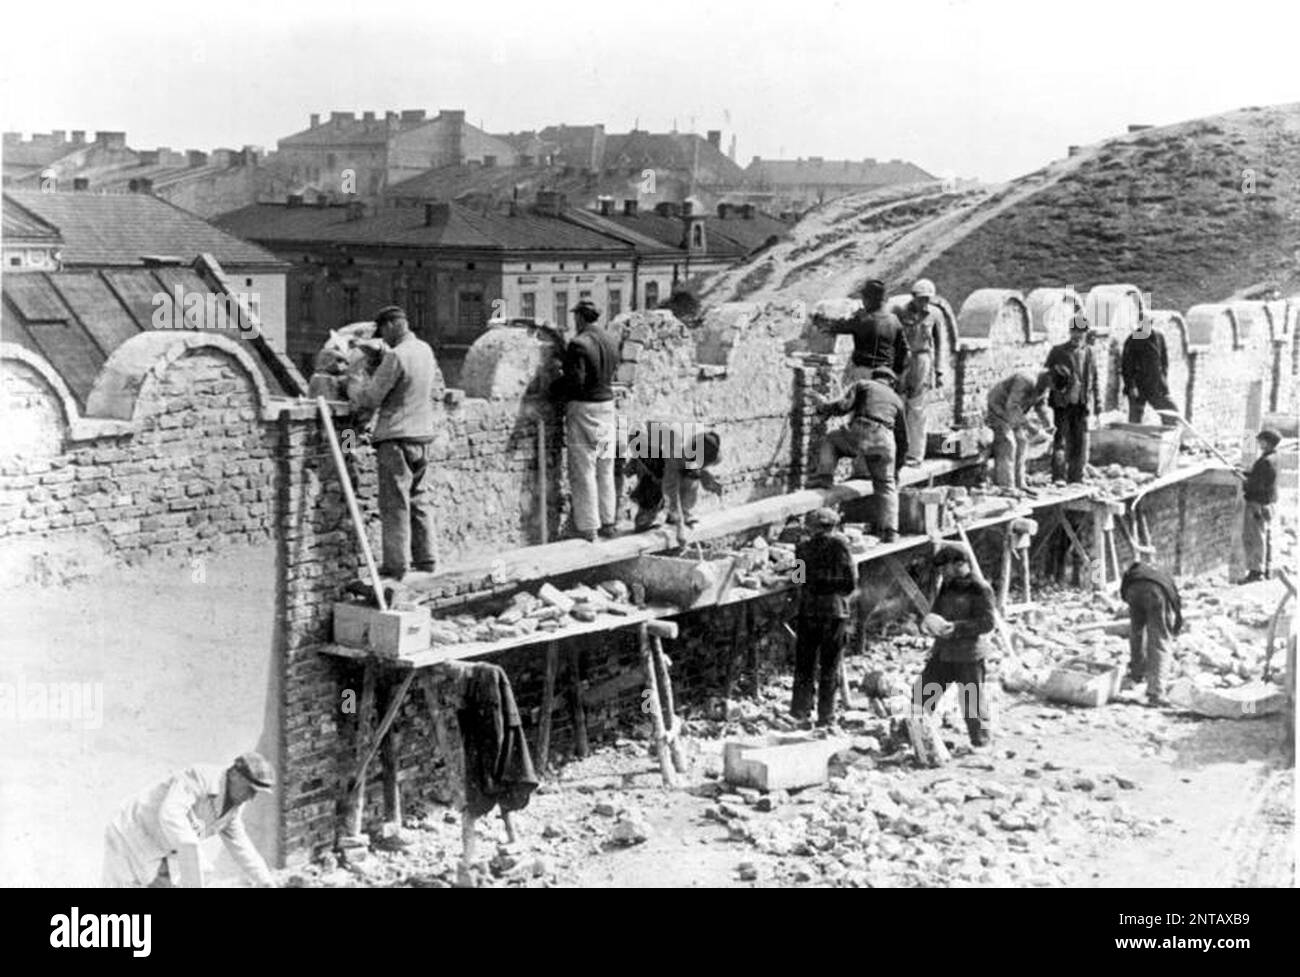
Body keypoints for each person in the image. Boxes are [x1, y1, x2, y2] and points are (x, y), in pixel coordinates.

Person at [347, 306, 438, 579]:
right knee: (419, 498)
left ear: (391, 326)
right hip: (422, 436)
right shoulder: (425, 350)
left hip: (396, 438)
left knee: (394, 503)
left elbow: (371, 398)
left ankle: (396, 566)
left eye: (383, 333)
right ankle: (427, 558)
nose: (383, 340)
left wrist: (354, 383)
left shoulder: (397, 355)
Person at [103, 752, 277, 888]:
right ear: (235, 775)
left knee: (198, 876)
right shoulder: (200, 777)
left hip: (164, 849)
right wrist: (192, 859)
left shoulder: (233, 807)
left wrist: (265, 882)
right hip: (130, 835)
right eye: (250, 789)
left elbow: (242, 846)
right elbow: (171, 814)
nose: (251, 797)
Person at [809, 366, 908, 542]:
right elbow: (903, 439)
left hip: (863, 430)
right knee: (886, 485)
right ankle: (891, 531)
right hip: (885, 440)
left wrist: (824, 406)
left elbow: (842, 406)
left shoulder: (864, 384)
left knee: (832, 441)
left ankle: (824, 476)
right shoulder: (897, 400)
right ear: (891, 383)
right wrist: (897, 469)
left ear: (875, 377)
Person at [911, 544, 996, 748]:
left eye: (944, 568)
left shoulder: (980, 588)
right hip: (943, 651)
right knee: (923, 692)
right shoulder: (948, 584)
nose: (941, 573)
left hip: (969, 655)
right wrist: (929, 624)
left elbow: (987, 622)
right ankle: (915, 736)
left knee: (971, 701)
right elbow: (937, 611)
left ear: (959, 564)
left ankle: (981, 743)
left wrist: (957, 627)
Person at [551, 299, 620, 541]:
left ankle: (589, 527)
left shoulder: (579, 344)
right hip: (607, 409)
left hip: (584, 411)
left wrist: (553, 389)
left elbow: (575, 382)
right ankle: (609, 522)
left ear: (580, 317)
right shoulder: (611, 340)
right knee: (605, 467)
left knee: (584, 469)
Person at [791, 507, 857, 727]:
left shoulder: (801, 548)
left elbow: (798, 579)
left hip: (808, 611)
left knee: (804, 665)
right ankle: (825, 717)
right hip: (835, 612)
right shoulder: (842, 546)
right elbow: (851, 581)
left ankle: (800, 712)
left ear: (811, 527)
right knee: (830, 666)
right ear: (832, 526)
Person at [625, 426, 723, 532]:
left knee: (691, 476)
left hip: (661, 448)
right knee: (655, 484)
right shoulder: (673, 459)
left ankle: (678, 514)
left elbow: (699, 469)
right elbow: (671, 494)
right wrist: (680, 528)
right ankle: (644, 519)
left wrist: (710, 483)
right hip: (650, 457)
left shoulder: (703, 445)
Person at [815, 278, 909, 383]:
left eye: (864, 298)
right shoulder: (894, 320)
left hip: (864, 373)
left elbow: (836, 327)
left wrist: (820, 320)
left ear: (870, 299)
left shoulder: (863, 319)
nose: (863, 302)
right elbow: (903, 350)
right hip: (885, 374)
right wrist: (897, 371)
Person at [1043, 314, 1101, 483]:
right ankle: (1059, 476)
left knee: (1080, 441)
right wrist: (1058, 388)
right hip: (1062, 403)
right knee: (1060, 439)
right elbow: (1047, 376)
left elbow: (1094, 380)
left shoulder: (1090, 352)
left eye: (1081, 332)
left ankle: (1077, 476)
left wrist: (1098, 406)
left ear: (1085, 333)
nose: (1077, 335)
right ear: (1070, 332)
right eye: (1074, 331)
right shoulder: (1058, 351)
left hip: (1081, 403)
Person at [1120, 554, 1183, 706]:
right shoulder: (1165, 578)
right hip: (1155, 593)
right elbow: (1176, 603)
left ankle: (1137, 675)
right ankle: (1156, 691)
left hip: (1132, 591)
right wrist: (1176, 627)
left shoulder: (1134, 571)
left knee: (1137, 633)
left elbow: (1123, 592)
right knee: (1160, 639)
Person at [894, 279, 945, 466]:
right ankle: (898, 451)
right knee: (898, 404)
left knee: (918, 407)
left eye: (927, 299)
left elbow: (940, 344)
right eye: (920, 298)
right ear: (913, 297)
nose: (923, 303)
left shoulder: (935, 314)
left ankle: (915, 454)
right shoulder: (899, 312)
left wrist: (939, 370)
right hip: (902, 360)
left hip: (922, 360)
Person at [985, 371, 1054, 491]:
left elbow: (1041, 406)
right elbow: (1012, 406)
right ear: (1046, 379)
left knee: (1022, 441)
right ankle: (1006, 486)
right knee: (1008, 443)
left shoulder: (1044, 387)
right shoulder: (1024, 380)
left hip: (1015, 412)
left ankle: (1020, 483)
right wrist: (1029, 426)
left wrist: (1049, 424)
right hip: (998, 408)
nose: (1048, 389)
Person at [1239, 427, 1281, 584]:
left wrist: (1245, 481)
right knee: (1264, 536)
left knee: (1254, 536)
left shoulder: (1265, 461)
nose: (1258, 443)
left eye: (1261, 440)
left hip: (1257, 504)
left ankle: (1256, 572)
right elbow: (1261, 478)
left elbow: (1255, 485)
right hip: (1268, 503)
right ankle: (1265, 569)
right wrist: (1247, 474)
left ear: (1267, 442)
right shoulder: (1275, 458)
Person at [1120, 316, 1178, 425]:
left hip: (1156, 386)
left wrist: (1163, 378)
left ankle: (1168, 439)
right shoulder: (1132, 339)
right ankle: (1136, 440)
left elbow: (1164, 361)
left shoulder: (1159, 336)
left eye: (1149, 323)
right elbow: (1126, 366)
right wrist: (1131, 386)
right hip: (1139, 387)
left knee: (1171, 413)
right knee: (1135, 421)